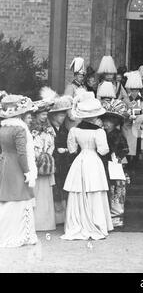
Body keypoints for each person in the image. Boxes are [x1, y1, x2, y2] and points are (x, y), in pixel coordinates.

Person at [61, 92, 113, 240]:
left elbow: (72, 150)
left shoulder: (74, 130)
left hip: (80, 159)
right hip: (93, 160)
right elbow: (103, 150)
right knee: (94, 189)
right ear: (95, 116)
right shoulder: (99, 131)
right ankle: (96, 223)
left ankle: (78, 223)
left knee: (79, 190)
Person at [0, 95, 38, 247]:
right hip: (16, 166)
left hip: (5, 164)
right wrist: (28, 172)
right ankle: (19, 235)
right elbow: (22, 153)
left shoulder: (3, 128)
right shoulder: (20, 129)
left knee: (7, 200)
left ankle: (6, 233)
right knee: (19, 200)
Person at [100, 99, 130, 228]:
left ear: (115, 122)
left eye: (109, 121)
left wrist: (117, 156)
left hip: (114, 165)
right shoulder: (102, 133)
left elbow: (125, 149)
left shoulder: (117, 134)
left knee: (116, 190)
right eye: (105, 120)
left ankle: (116, 217)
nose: (106, 123)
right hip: (104, 164)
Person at [30, 98, 56, 232]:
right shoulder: (31, 129)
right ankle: (35, 222)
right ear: (36, 115)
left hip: (45, 161)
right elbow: (31, 144)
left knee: (45, 193)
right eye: (42, 114)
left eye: (46, 114)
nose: (45, 116)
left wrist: (47, 155)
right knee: (35, 191)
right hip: (35, 161)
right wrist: (37, 156)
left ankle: (46, 223)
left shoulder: (49, 129)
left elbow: (52, 144)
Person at [48, 94, 73, 225]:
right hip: (53, 162)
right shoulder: (49, 129)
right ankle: (55, 217)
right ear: (53, 116)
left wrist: (66, 150)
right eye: (60, 115)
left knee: (62, 187)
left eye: (64, 115)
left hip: (63, 163)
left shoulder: (64, 130)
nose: (63, 118)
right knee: (55, 188)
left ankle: (63, 217)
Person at [122, 71, 143, 170]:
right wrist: (128, 115)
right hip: (127, 127)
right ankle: (127, 167)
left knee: (136, 148)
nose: (134, 92)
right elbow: (122, 111)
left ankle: (134, 167)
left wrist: (138, 118)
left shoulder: (142, 100)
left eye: (136, 90)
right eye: (132, 90)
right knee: (128, 148)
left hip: (137, 127)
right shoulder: (126, 99)